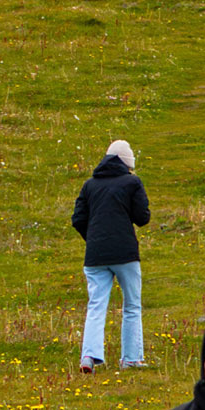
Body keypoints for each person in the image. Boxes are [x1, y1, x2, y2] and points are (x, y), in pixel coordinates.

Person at [72, 139, 150, 373]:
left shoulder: (89, 185)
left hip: (95, 255)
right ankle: (131, 359)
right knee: (132, 306)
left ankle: (89, 356)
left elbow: (78, 219)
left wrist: (94, 239)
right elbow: (142, 217)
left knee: (96, 305)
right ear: (127, 162)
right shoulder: (132, 182)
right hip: (125, 253)